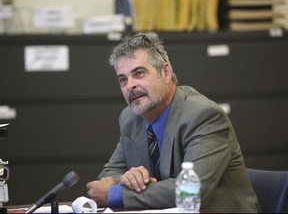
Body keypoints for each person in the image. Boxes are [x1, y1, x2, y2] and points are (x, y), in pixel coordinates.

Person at [86, 33, 260, 212]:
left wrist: (116, 194)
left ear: (166, 72)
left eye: (139, 73)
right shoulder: (130, 118)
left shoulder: (203, 116)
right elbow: (108, 176)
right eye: (123, 79)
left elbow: (191, 192)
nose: (130, 85)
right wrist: (125, 178)